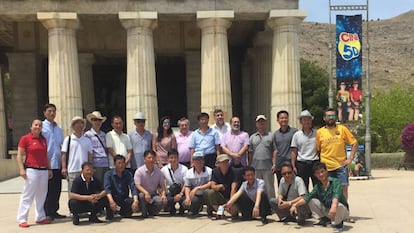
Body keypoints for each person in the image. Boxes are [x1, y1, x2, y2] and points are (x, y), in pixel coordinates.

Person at [290, 162, 349, 232]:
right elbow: (307, 197)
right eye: (318, 173)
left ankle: (339, 223)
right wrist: (295, 205)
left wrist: (333, 207)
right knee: (312, 201)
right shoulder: (317, 187)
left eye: (322, 171)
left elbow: (336, 196)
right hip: (328, 210)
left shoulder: (335, 182)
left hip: (341, 210)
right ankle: (324, 220)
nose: (321, 174)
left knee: (338, 206)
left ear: (326, 171)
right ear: (315, 175)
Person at [16, 119, 52, 227]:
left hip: (43, 170)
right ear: (31, 127)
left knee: (41, 195)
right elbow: (19, 155)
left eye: (40, 125)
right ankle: (22, 218)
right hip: (31, 170)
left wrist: (49, 169)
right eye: (36, 125)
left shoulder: (43, 140)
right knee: (28, 195)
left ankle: (40, 217)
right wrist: (21, 169)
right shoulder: (25, 139)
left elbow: (46, 156)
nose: (38, 127)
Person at [316, 108, 358, 200]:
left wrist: (350, 159)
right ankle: (330, 210)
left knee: (343, 188)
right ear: (324, 118)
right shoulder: (319, 132)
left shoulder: (342, 129)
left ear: (336, 117)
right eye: (328, 116)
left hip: (340, 166)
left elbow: (354, 143)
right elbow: (318, 149)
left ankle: (343, 209)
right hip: (326, 167)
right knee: (328, 189)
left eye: (333, 116)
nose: (331, 118)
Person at [42, 103, 66, 220]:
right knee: (47, 189)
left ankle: (54, 210)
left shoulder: (58, 128)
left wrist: (63, 164)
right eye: (49, 111)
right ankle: (46, 212)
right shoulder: (42, 127)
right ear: (44, 113)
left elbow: (62, 146)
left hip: (57, 163)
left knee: (57, 189)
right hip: (46, 163)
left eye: (54, 111)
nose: (52, 113)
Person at [61, 116, 93, 196]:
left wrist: (91, 168)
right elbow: (64, 154)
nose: (79, 125)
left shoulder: (87, 140)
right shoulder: (68, 139)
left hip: (85, 170)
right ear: (73, 126)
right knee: (73, 192)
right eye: (77, 123)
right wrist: (64, 167)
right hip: (72, 170)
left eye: (81, 123)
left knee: (85, 191)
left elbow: (90, 155)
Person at [248, 115, 276, 199]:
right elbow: (250, 152)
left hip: (268, 166)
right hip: (255, 166)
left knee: (269, 187)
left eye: (263, 122)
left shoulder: (271, 136)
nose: (261, 124)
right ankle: (258, 205)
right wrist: (249, 166)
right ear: (256, 124)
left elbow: (275, 150)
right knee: (257, 187)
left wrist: (274, 164)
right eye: (259, 122)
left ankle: (272, 205)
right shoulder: (252, 137)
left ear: (265, 123)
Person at [291, 110, 319, 190]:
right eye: (304, 119)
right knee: (303, 186)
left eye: (308, 119)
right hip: (302, 163)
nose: (307, 122)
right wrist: (293, 165)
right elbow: (294, 151)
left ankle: (318, 202)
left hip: (314, 162)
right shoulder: (297, 135)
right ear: (301, 121)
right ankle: (304, 202)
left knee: (317, 185)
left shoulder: (317, 133)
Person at [104, 155, 139, 219]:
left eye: (123, 163)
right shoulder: (108, 174)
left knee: (130, 205)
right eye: (119, 163)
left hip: (123, 198)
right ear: (114, 164)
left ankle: (122, 211)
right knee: (106, 201)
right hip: (113, 198)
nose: (121, 165)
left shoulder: (128, 174)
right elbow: (107, 189)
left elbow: (133, 187)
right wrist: (111, 201)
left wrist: (135, 201)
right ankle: (110, 212)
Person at [134, 150, 168, 218]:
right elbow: (137, 185)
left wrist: (163, 194)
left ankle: (151, 212)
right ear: (144, 159)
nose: (151, 160)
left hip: (153, 195)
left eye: (153, 158)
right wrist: (146, 193)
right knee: (141, 196)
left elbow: (162, 185)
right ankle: (144, 213)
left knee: (161, 201)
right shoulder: (139, 171)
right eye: (149, 158)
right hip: (143, 194)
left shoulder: (159, 171)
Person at [207, 154, 239, 219]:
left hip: (231, 197)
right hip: (221, 197)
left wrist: (230, 203)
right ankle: (220, 213)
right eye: (223, 162)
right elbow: (213, 186)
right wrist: (220, 186)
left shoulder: (234, 171)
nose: (225, 164)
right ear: (218, 164)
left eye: (226, 162)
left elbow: (234, 188)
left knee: (233, 211)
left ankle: (234, 212)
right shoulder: (215, 171)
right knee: (210, 192)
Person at [183, 152, 213, 217]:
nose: (199, 162)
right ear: (193, 161)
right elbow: (187, 186)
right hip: (196, 196)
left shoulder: (209, 171)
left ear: (204, 161)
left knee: (208, 192)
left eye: (201, 159)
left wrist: (197, 188)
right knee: (185, 203)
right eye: (197, 160)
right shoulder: (189, 172)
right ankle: (194, 210)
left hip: (206, 194)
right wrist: (188, 197)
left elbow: (210, 184)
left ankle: (210, 210)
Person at [273, 110, 298, 185]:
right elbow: (275, 150)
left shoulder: (295, 132)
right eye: (281, 118)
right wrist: (274, 164)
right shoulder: (275, 134)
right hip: (279, 163)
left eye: (285, 118)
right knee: (281, 184)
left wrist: (294, 165)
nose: (284, 120)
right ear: (278, 120)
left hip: (291, 162)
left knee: (293, 184)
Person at [161, 149, 188, 215]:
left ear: (178, 158)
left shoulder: (184, 169)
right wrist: (163, 194)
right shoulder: (164, 169)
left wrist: (180, 194)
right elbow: (161, 184)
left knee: (185, 200)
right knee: (165, 200)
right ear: (168, 159)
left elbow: (186, 184)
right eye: (171, 158)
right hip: (170, 191)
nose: (173, 160)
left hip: (181, 191)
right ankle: (171, 207)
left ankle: (182, 208)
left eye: (175, 157)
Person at [85, 111, 108, 183]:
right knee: (96, 184)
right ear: (91, 121)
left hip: (105, 162)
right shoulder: (87, 135)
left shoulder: (104, 134)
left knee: (105, 185)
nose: (97, 122)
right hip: (95, 163)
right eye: (95, 120)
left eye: (99, 120)